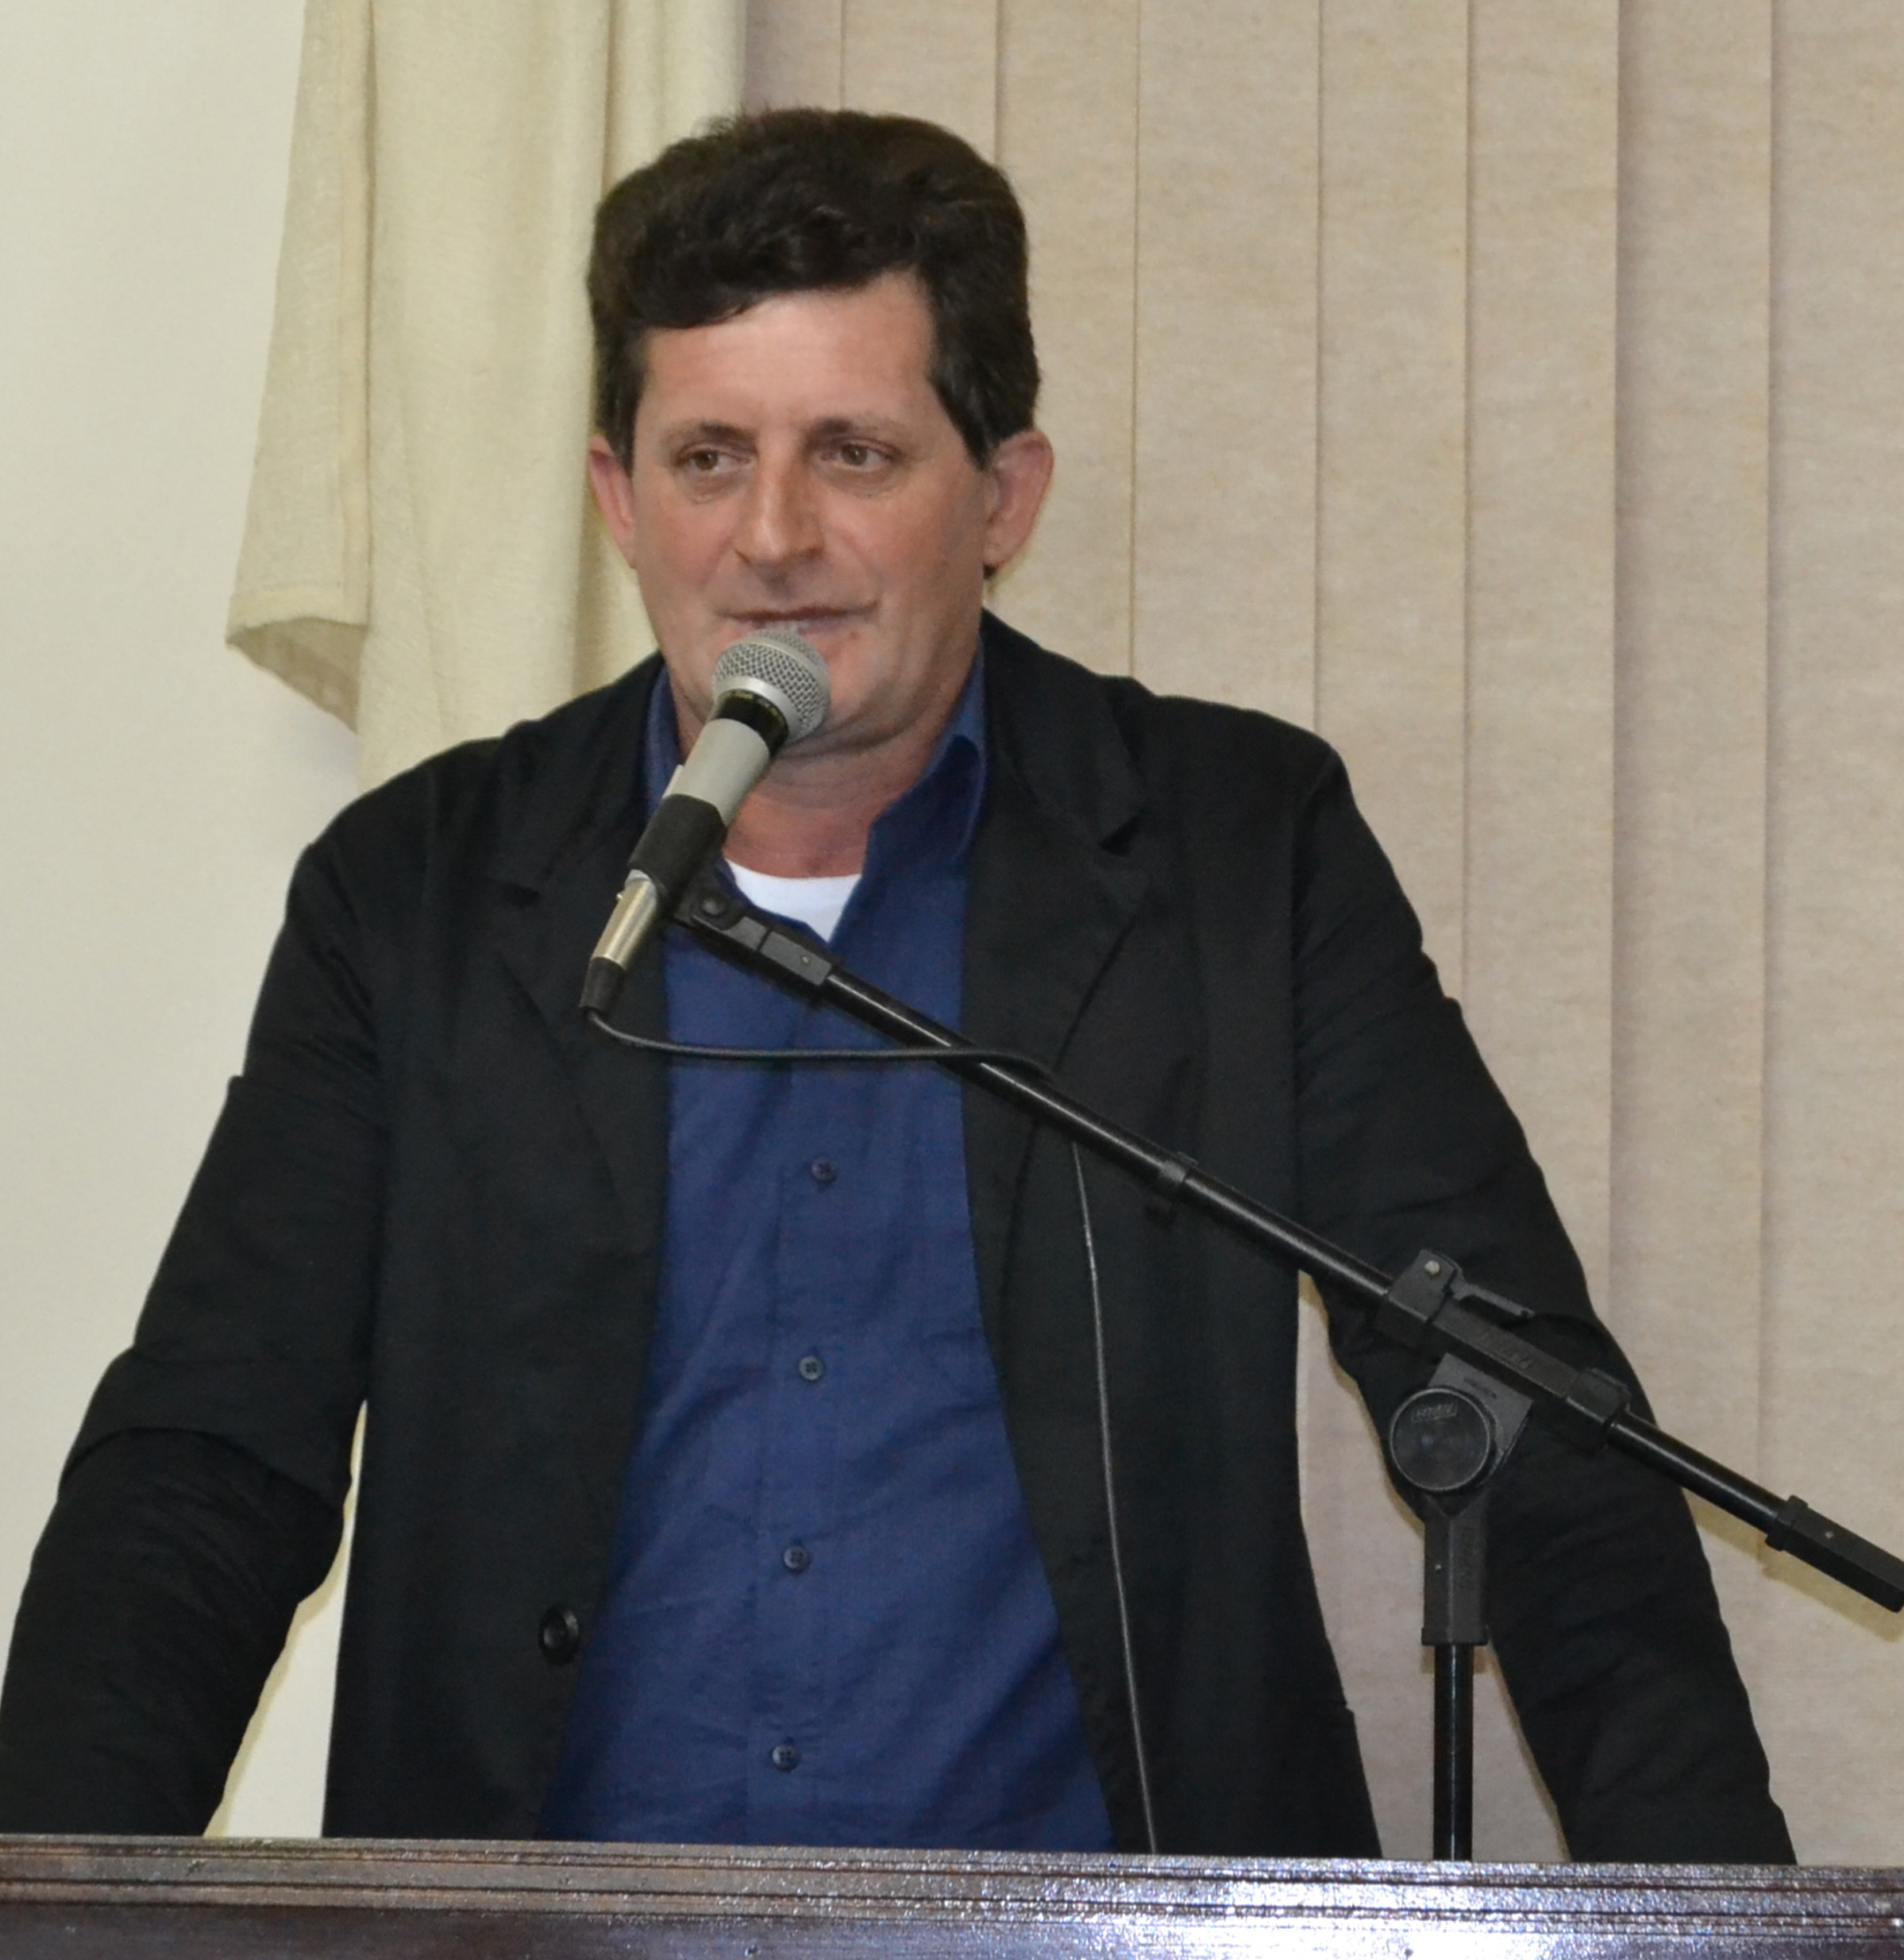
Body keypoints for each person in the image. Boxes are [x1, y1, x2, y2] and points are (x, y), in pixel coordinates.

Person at [0, 109, 1791, 1859]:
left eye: (852, 454)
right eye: (709, 459)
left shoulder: (1236, 856)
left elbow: (1524, 1417)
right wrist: (49, 1891)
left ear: (1003, 496)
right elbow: (208, 1462)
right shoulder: (423, 891)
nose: (771, 537)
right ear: (618, 497)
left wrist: (1716, 1900)